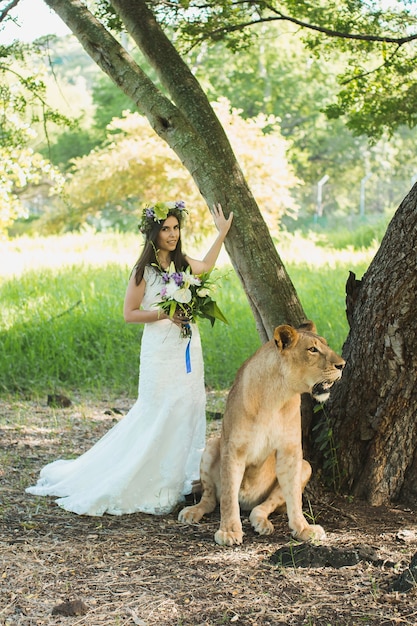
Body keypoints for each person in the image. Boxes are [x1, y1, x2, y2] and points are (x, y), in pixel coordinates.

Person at [26, 201, 233, 516]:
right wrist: (165, 312)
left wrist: (222, 234)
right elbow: (129, 314)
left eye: (176, 228)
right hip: (160, 348)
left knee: (189, 404)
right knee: (162, 408)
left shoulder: (182, 265)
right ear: (153, 232)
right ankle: (153, 477)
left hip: (187, 348)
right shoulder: (143, 273)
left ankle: (185, 475)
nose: (172, 234)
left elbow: (206, 265)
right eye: (166, 228)